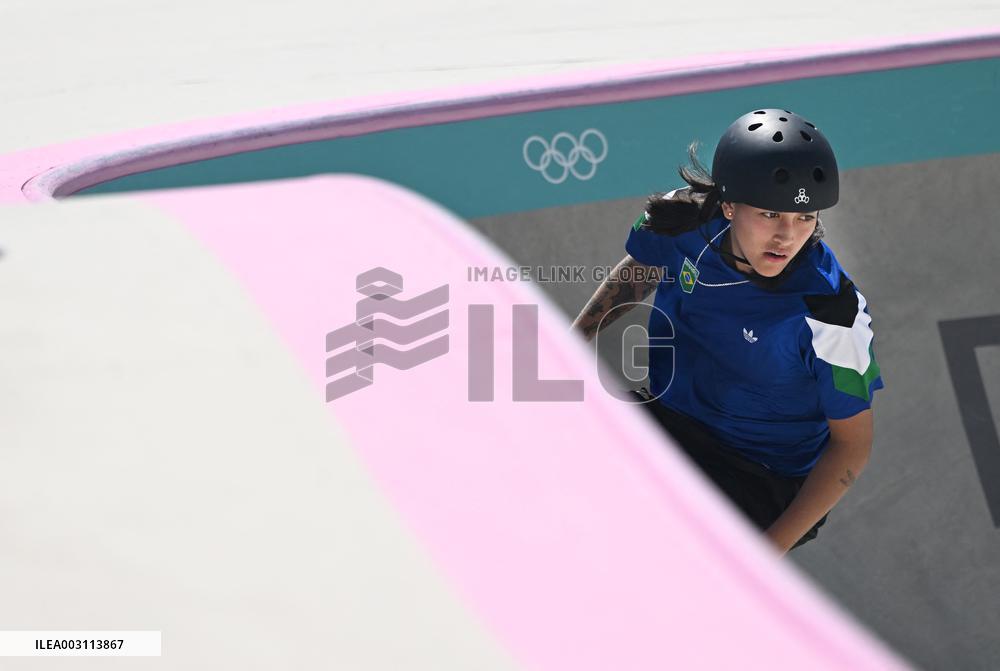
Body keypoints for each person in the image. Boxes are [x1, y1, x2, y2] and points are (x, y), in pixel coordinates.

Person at [572, 108, 884, 555]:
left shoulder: (831, 314)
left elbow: (852, 447)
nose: (786, 237)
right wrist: (567, 341)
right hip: (668, 421)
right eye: (770, 214)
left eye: (804, 217)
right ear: (729, 205)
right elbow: (642, 269)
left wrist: (765, 554)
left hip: (759, 477)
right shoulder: (680, 221)